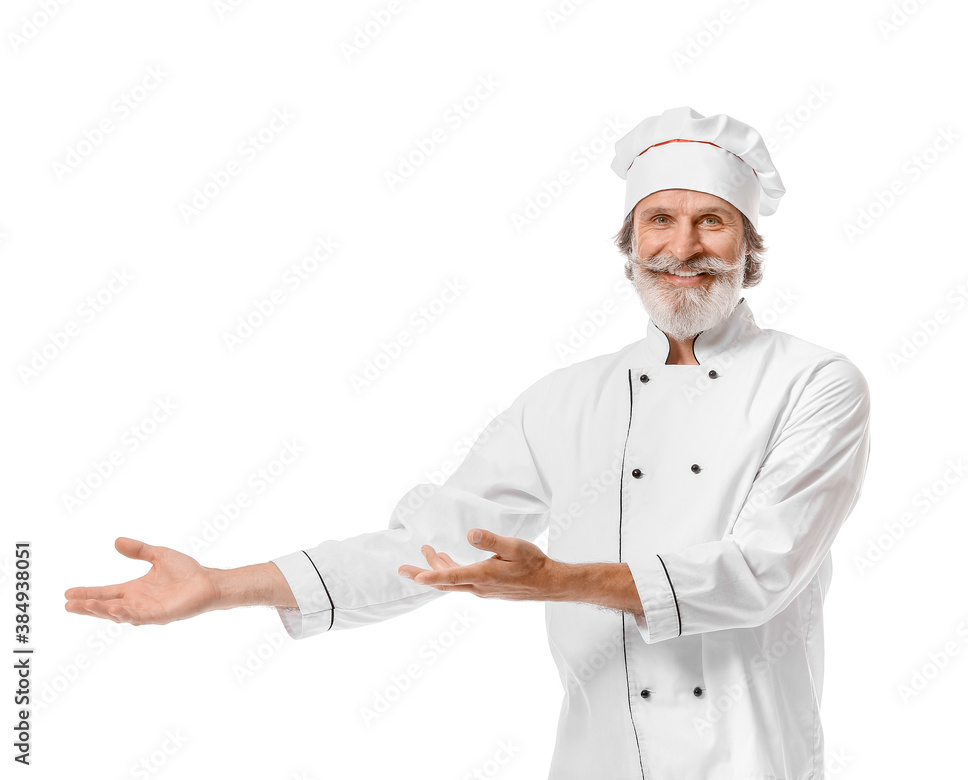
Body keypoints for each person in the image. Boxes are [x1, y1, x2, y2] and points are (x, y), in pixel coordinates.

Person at [65, 106, 871, 779]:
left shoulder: (815, 383)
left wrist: (558, 579)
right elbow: (428, 547)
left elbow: (760, 571)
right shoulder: (566, 399)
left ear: (748, 249)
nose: (683, 247)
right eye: (660, 219)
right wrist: (222, 585)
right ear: (631, 245)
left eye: (712, 223)